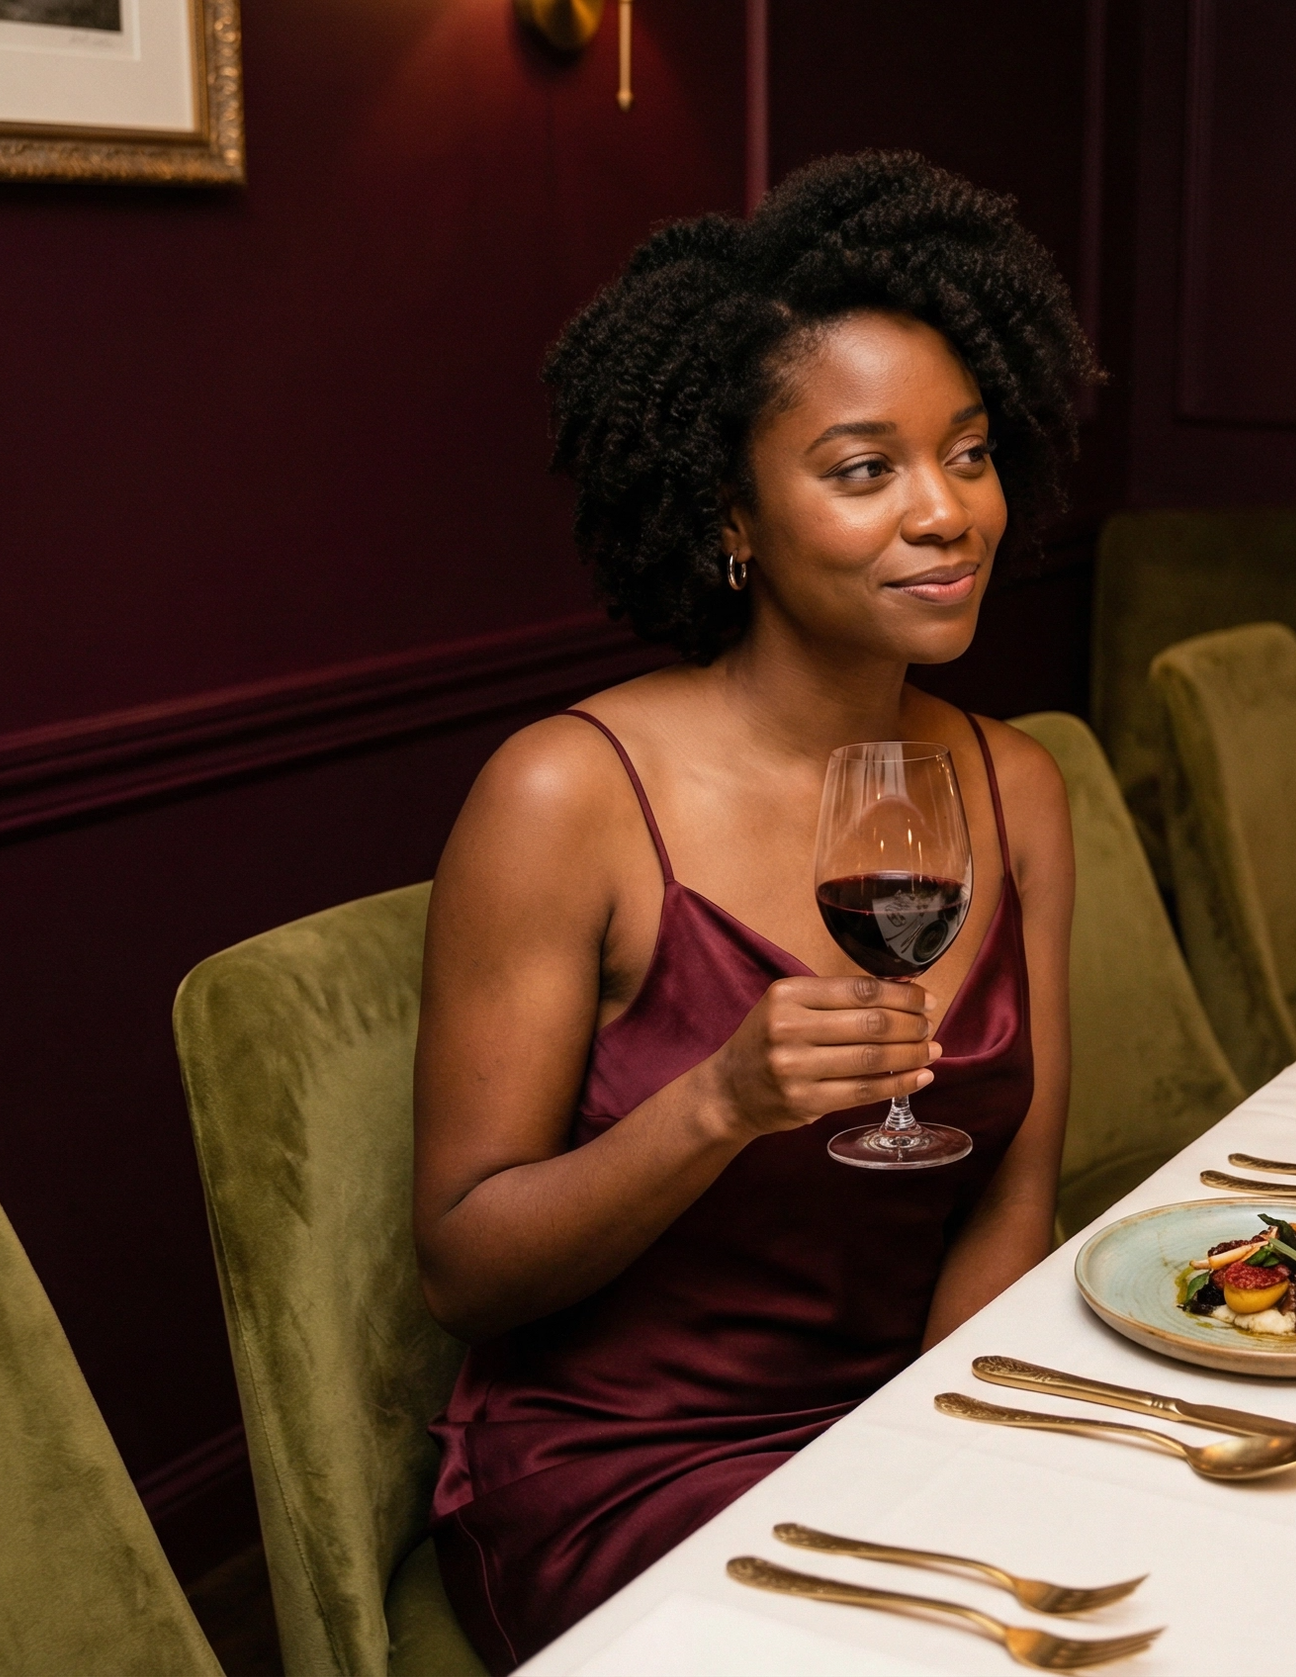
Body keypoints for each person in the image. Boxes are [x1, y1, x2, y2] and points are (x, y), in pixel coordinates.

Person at [411, 152, 1096, 1670]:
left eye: (969, 454)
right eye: (865, 471)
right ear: (733, 513)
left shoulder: (1019, 782)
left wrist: (935, 1466)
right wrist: (719, 1100)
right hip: (631, 1465)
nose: (945, 513)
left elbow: (1010, 1193)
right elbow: (461, 1263)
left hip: (910, 1415)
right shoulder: (565, 796)